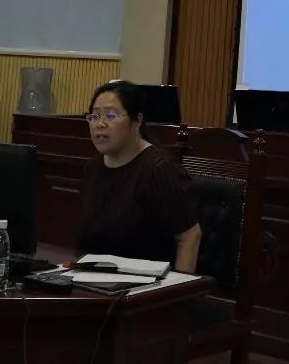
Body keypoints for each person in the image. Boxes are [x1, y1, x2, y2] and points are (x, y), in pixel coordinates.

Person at [76, 80, 201, 272]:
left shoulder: (158, 170)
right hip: (96, 278)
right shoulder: (93, 168)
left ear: (137, 121)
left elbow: (189, 235)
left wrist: (180, 287)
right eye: (94, 116)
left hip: (146, 283)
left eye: (111, 115)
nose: (100, 124)